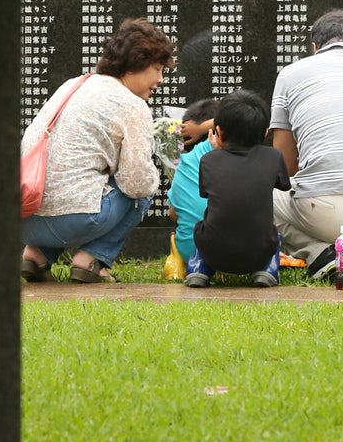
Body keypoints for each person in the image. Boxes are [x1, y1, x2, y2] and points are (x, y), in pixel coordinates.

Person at [20, 17, 176, 283]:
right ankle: (91, 259)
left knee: (79, 184)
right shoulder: (132, 105)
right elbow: (136, 182)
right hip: (74, 219)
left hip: (25, 216)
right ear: (137, 63)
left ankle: (35, 255)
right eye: (158, 69)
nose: (160, 80)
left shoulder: (74, 85)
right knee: (144, 189)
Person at [269, 8, 343, 280]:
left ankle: (319, 253)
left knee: (259, 194)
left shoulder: (290, 75)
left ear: (314, 47)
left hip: (321, 214)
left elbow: (283, 166)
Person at [185, 90, 291, 288]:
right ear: (265, 132)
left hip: (213, 250)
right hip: (259, 251)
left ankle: (199, 268)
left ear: (219, 131)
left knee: (202, 225)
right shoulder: (274, 157)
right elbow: (283, 185)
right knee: (273, 232)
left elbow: (207, 193)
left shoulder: (208, 160)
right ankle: (266, 269)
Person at [166, 97, 220, 263]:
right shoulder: (236, 155)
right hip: (238, 250)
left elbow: (174, 213)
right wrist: (203, 128)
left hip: (189, 251)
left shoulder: (186, 162)